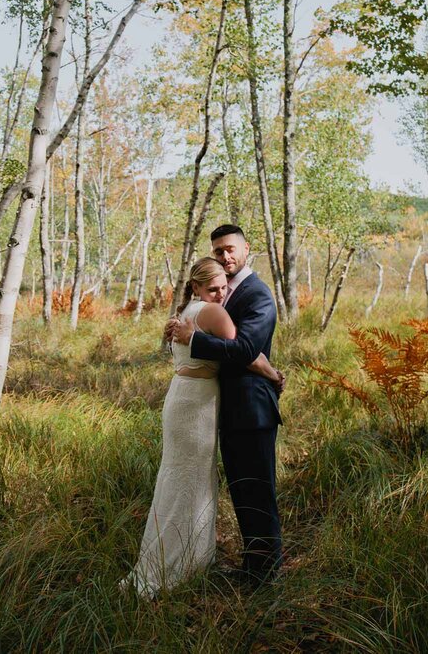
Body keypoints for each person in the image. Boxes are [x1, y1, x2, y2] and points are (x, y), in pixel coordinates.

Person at [124, 258, 282, 598]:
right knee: (193, 484)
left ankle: (172, 558)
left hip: (181, 399)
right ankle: (182, 564)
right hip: (197, 406)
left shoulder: (184, 313)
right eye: (213, 288)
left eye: (224, 286)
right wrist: (273, 374)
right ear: (196, 287)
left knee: (179, 479)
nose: (221, 293)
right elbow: (245, 354)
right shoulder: (211, 312)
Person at [167, 224, 284, 587]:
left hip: (251, 409)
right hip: (226, 408)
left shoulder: (258, 295)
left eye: (230, 249)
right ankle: (254, 566)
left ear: (247, 248)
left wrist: (196, 340)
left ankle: (264, 575)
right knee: (242, 488)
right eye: (218, 251)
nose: (225, 256)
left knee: (256, 488)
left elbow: (247, 350)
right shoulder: (223, 292)